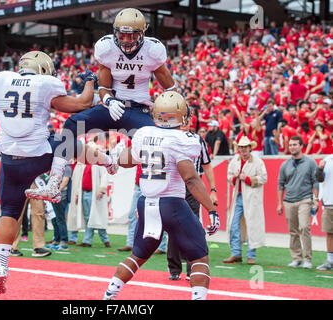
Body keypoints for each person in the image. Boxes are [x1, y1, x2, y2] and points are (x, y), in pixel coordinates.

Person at [27, 7, 177, 202]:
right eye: (122, 35)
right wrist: (109, 100)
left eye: (131, 36)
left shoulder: (153, 50)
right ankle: (54, 183)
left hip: (137, 109)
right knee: (72, 124)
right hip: (110, 107)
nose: (125, 41)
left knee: (156, 141)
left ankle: (141, 177)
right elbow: (104, 87)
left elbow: (170, 89)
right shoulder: (107, 48)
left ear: (142, 34)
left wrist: (168, 113)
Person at [0, 50, 95, 294]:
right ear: (44, 69)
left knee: (8, 213)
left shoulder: (2, 79)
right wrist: (90, 82)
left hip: (9, 160)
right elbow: (81, 104)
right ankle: (106, 161)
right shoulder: (45, 83)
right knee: (69, 141)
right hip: (38, 154)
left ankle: (2, 268)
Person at [102, 92, 219, 301]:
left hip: (146, 203)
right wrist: (211, 209)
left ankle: (109, 294)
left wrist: (116, 157)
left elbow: (129, 160)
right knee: (200, 256)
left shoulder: (144, 133)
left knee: (137, 256)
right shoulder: (183, 139)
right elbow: (191, 179)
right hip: (172, 203)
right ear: (180, 115)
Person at [167, 120, 218, 281]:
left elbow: (207, 165)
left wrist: (213, 189)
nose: (184, 123)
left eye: (186, 119)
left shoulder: (197, 139)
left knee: (192, 226)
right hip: (174, 185)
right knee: (173, 227)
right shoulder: (168, 137)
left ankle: (191, 268)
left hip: (191, 188)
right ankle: (174, 268)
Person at [223, 136, 267, 265]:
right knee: (233, 224)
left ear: (250, 148)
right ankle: (236, 253)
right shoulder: (234, 161)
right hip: (238, 196)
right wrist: (235, 177)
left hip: (252, 197)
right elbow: (229, 176)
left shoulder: (258, 162)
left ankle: (250, 255)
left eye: (245, 147)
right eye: (241, 147)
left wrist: (247, 179)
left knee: (252, 225)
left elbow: (263, 178)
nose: (243, 149)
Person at [277, 136, 319, 268]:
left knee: (305, 227)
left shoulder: (311, 162)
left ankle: (308, 259)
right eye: (290, 145)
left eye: (295, 144)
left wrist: (316, 200)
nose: (292, 147)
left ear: (301, 146)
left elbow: (315, 182)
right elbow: (280, 185)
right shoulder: (285, 164)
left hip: (305, 200)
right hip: (288, 201)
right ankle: (296, 258)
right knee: (293, 231)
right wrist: (279, 203)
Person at [67, 155, 111, 248]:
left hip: (94, 194)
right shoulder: (84, 165)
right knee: (88, 217)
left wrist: (102, 190)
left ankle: (105, 239)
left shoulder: (99, 164)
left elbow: (104, 177)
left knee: (96, 216)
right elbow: (79, 181)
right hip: (84, 193)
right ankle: (88, 240)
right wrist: (78, 195)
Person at [315, 155, 333, 270]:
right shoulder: (326, 160)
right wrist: (320, 169)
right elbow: (319, 179)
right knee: (329, 233)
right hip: (329, 202)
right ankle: (330, 261)